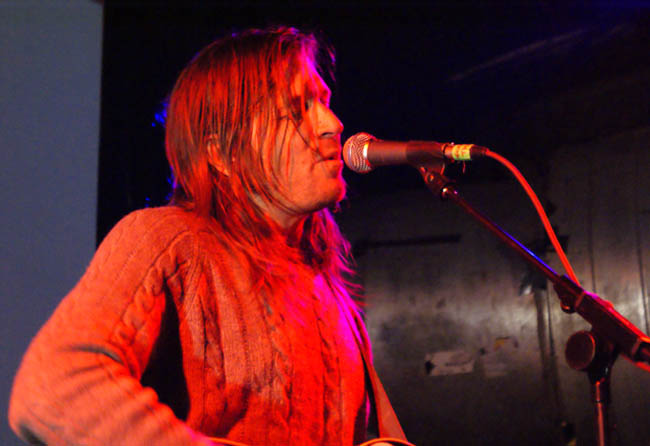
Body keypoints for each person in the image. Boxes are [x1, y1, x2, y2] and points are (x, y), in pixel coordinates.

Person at [8, 27, 373, 446]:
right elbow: (54, 389)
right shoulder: (166, 239)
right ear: (222, 154)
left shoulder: (329, 293)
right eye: (298, 108)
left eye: (323, 102)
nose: (333, 124)